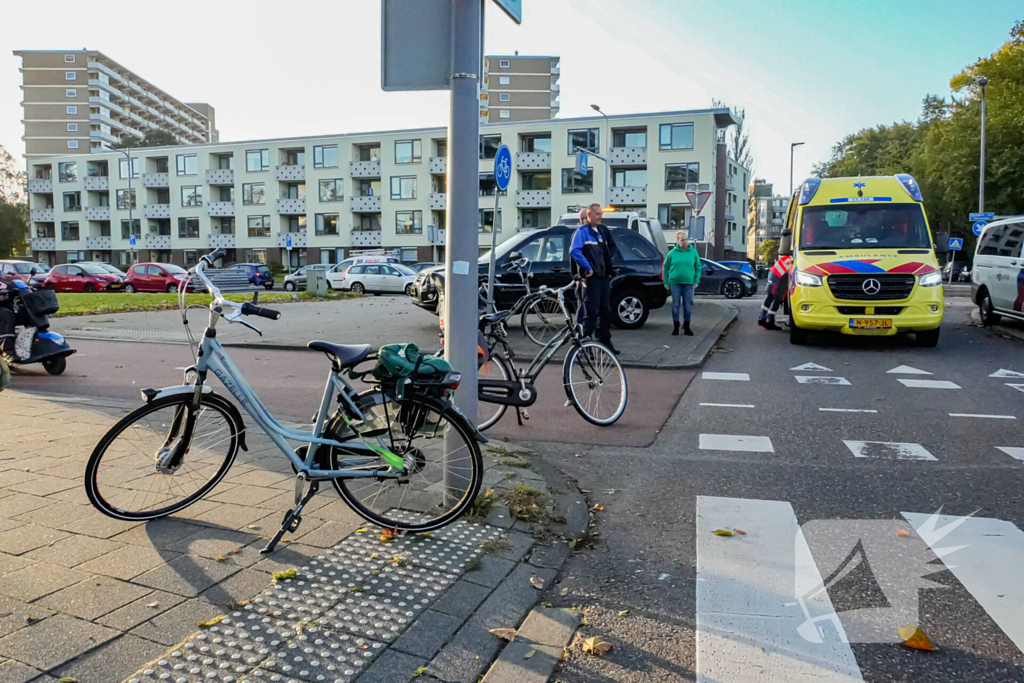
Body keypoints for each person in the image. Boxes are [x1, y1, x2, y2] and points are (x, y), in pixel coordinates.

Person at [570, 203, 619, 354]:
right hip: (591, 279)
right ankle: (585, 343)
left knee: (605, 310)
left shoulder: (603, 230)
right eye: (598, 214)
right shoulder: (582, 231)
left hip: (603, 277)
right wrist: (588, 267)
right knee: (590, 311)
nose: (601, 217)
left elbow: (611, 247)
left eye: (601, 214)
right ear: (590, 215)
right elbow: (574, 251)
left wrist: (606, 263)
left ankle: (604, 341)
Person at [662, 231, 701, 335]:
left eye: (686, 239)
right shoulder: (672, 253)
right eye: (682, 240)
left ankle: (687, 326)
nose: (685, 242)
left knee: (687, 305)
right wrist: (666, 281)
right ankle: (676, 326)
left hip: (688, 283)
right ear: (678, 241)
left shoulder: (693, 252)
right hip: (675, 282)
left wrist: (696, 281)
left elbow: (698, 267)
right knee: (675, 305)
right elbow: (665, 267)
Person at [758, 253, 794, 330]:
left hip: (783, 276)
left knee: (778, 299)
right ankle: (762, 317)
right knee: (771, 295)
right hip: (776, 274)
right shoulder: (792, 258)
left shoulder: (791, 258)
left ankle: (770, 320)